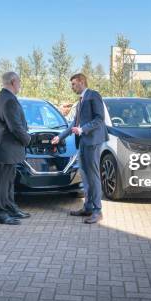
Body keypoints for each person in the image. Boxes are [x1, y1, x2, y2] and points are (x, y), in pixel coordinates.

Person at [52, 73, 108, 224]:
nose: (72, 87)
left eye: (74, 84)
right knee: (84, 175)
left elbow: (99, 119)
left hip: (92, 141)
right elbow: (74, 124)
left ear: (82, 82)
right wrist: (60, 137)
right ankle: (88, 207)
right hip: (83, 142)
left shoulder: (93, 95)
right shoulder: (80, 100)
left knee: (93, 176)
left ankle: (97, 211)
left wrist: (83, 129)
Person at [0, 71, 32, 225]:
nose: (20, 84)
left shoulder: (2, 97)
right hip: (6, 148)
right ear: (13, 82)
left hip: (7, 149)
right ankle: (0, 214)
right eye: (19, 81)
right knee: (2, 183)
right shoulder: (8, 100)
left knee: (9, 181)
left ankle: (11, 208)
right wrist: (28, 139)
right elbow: (15, 127)